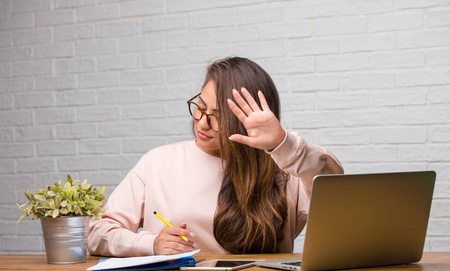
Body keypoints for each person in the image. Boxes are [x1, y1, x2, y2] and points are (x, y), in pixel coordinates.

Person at [88, 57, 344, 257]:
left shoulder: (284, 169)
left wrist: (282, 144)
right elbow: (97, 233)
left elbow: (334, 187)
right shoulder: (158, 162)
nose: (202, 122)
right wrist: (150, 243)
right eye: (199, 107)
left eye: (218, 116)